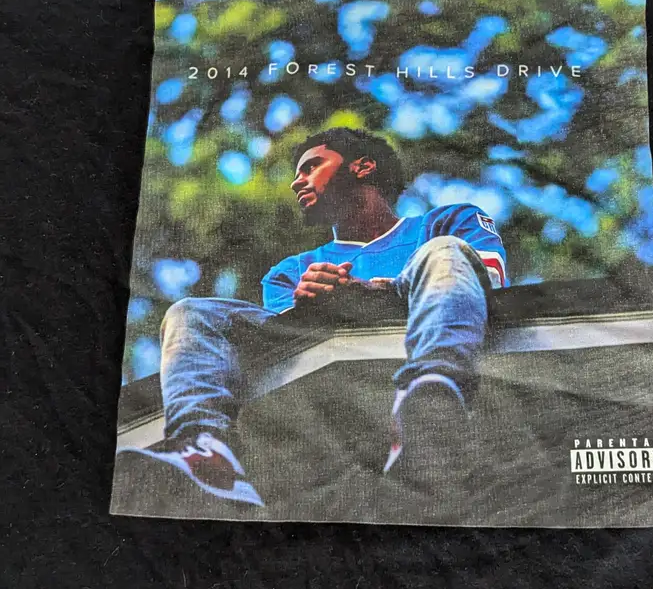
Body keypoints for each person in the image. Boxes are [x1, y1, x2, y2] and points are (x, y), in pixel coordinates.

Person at [116, 127, 508, 509]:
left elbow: (485, 279)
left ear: (362, 166)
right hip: (334, 401)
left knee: (445, 250)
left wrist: (374, 292)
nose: (296, 182)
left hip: (429, 352)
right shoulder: (290, 272)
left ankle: (432, 401)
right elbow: (284, 358)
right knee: (190, 312)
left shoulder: (446, 222)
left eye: (311, 167)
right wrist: (309, 309)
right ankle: (204, 453)